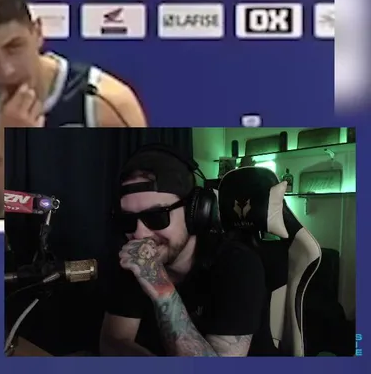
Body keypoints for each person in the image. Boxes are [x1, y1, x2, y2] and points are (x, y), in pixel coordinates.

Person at [0, 0, 146, 221]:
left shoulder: (106, 102)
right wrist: (4, 152)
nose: (7, 69)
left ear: (38, 32)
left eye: (14, 47)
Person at [99, 145, 272, 356]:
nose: (139, 234)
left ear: (195, 212)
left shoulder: (239, 265)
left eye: (157, 216)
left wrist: (159, 286)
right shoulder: (134, 261)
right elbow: (113, 341)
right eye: (127, 220)